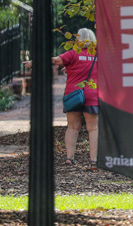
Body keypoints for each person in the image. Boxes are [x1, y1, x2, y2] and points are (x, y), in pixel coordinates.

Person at [26, 28, 99, 167]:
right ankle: (94, 160)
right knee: (93, 128)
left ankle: (69, 158)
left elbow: (54, 61)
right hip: (92, 95)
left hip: (73, 95)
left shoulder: (73, 53)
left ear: (78, 39)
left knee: (72, 127)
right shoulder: (97, 55)